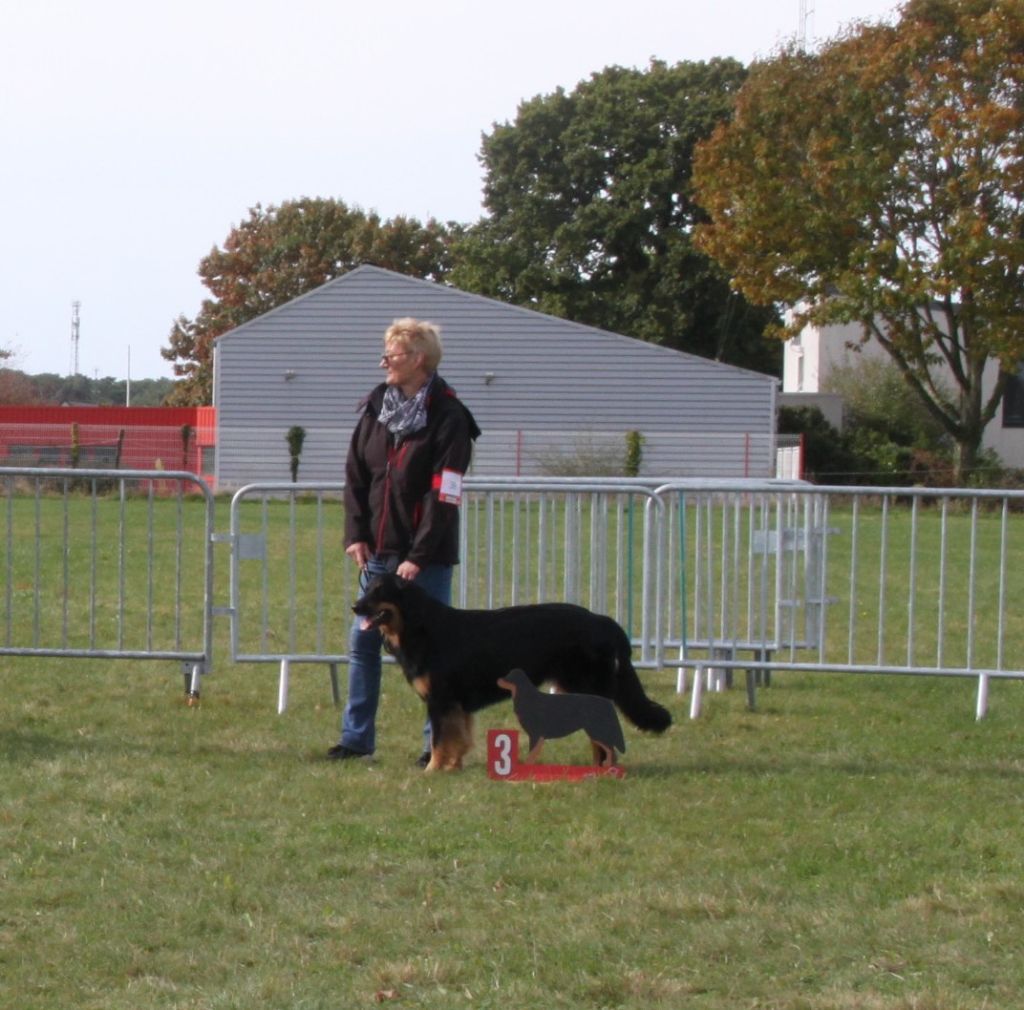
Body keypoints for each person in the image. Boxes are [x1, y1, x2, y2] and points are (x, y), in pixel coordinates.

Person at [328, 317, 480, 765]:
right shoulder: (376, 409)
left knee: (431, 652)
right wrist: (355, 534)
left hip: (424, 560)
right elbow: (356, 476)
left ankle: (434, 747)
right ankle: (356, 741)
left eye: (391, 355)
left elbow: (444, 491)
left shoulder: (450, 417)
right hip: (377, 554)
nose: (384, 362)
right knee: (363, 643)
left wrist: (420, 555)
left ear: (418, 359)